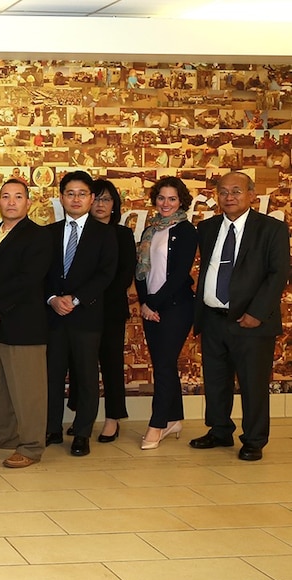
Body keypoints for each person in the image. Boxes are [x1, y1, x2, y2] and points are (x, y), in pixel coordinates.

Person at [191, 171, 290, 461]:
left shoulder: (271, 228)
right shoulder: (207, 228)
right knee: (216, 381)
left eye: (236, 191)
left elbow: (279, 273)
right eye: (223, 191)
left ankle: (254, 439)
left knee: (253, 383)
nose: (229, 197)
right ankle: (220, 430)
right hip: (213, 318)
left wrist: (257, 313)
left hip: (251, 322)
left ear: (251, 195)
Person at [0, 179, 52, 468]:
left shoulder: (38, 236)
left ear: (28, 203)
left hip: (24, 323)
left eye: (18, 196)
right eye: (6, 196)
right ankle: (1, 433)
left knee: (28, 389)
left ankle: (30, 446)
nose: (11, 202)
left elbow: (29, 278)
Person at [44, 170, 117, 457]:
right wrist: (51, 299)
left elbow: (105, 274)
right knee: (51, 374)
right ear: (61, 198)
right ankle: (51, 427)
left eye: (82, 194)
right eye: (70, 193)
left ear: (91, 199)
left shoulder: (105, 233)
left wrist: (74, 299)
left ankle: (82, 432)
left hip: (86, 316)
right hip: (53, 316)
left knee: (86, 377)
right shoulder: (48, 233)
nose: (76, 199)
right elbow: (40, 275)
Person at [68, 179, 136, 443]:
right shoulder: (76, 232)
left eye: (106, 199)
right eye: (96, 198)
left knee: (111, 365)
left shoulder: (122, 235)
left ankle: (112, 418)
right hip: (79, 310)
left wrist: (91, 296)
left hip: (109, 311)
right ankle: (81, 417)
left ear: (114, 205)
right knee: (79, 367)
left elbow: (123, 275)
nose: (100, 204)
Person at [135, 176, 197, 450]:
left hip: (177, 307)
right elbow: (141, 272)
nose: (166, 203)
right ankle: (174, 418)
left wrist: (153, 304)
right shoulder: (150, 231)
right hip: (152, 307)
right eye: (161, 198)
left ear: (181, 201)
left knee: (162, 364)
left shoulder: (186, 230)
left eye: (172, 198)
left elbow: (179, 276)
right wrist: (145, 303)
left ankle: (157, 424)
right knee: (164, 363)